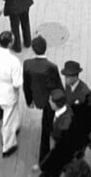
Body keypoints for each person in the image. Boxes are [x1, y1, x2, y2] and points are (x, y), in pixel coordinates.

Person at [23, 35, 63, 165]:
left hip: (37, 98)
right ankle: (47, 152)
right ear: (46, 48)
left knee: (46, 126)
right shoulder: (52, 67)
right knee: (48, 125)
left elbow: (26, 85)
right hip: (50, 101)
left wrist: (29, 101)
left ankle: (43, 157)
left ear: (34, 50)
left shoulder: (27, 64)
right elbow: (58, 85)